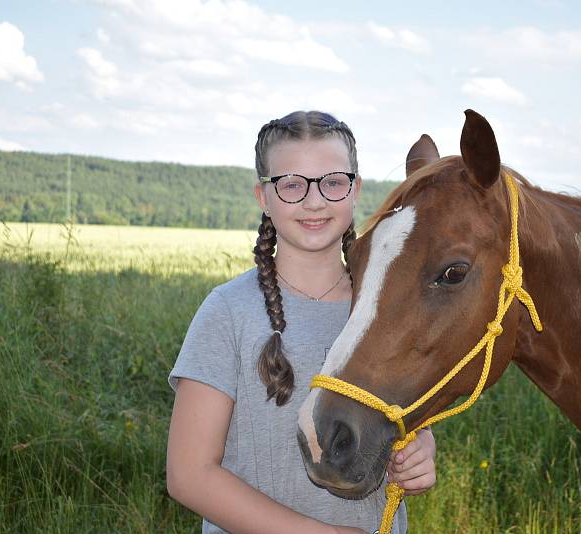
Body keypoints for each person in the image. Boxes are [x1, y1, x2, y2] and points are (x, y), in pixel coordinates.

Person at [166, 111, 437, 534]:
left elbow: (407, 420)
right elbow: (189, 473)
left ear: (355, 190)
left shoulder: (385, 308)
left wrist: (421, 450)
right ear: (263, 197)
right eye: (292, 184)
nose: (315, 201)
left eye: (332, 182)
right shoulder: (227, 312)